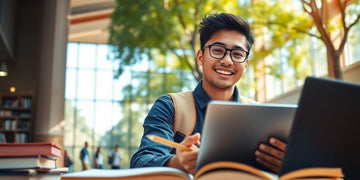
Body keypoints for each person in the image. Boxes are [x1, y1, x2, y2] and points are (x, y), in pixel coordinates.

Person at [130, 13, 287, 174]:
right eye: (218, 50)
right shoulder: (170, 106)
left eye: (237, 54)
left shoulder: (260, 115)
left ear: (246, 64)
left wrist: (286, 164)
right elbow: (141, 162)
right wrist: (177, 163)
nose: (227, 60)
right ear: (200, 57)